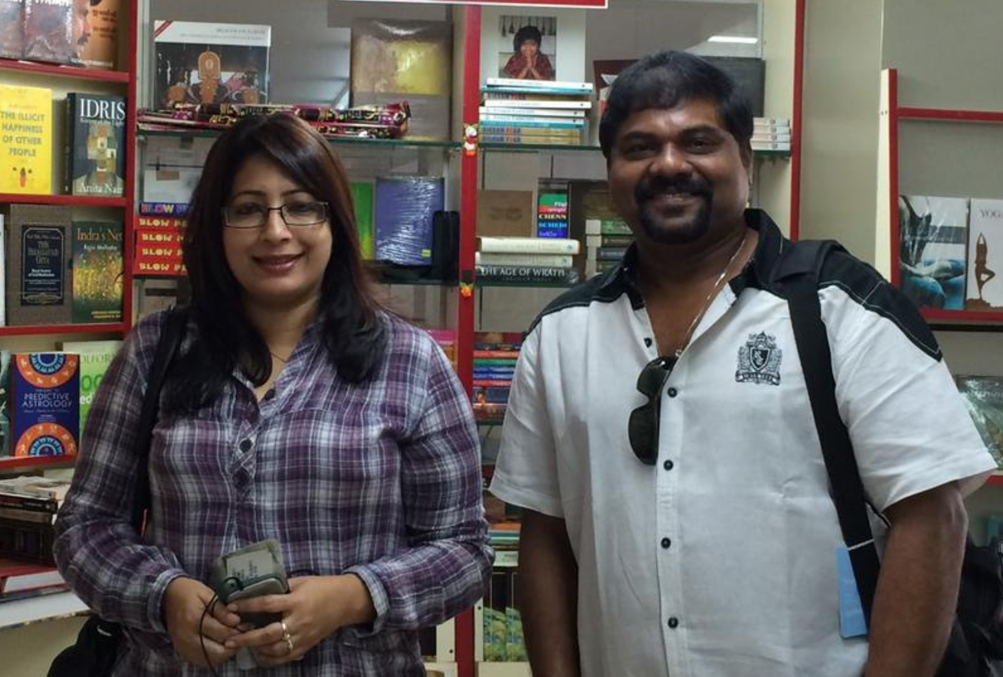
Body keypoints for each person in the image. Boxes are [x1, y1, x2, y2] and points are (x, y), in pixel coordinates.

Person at [489, 50, 996, 677]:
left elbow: (932, 516)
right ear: (610, 171)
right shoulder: (560, 336)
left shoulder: (842, 308)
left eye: (698, 142)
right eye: (640, 147)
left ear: (746, 160)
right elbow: (545, 534)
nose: (669, 164)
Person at [54, 113, 492, 676]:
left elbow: (465, 551)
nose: (276, 231)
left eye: (302, 206)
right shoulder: (155, 350)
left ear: (335, 222)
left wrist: (353, 596)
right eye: (248, 209)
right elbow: (84, 527)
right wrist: (163, 596)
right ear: (216, 225)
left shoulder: (411, 361)